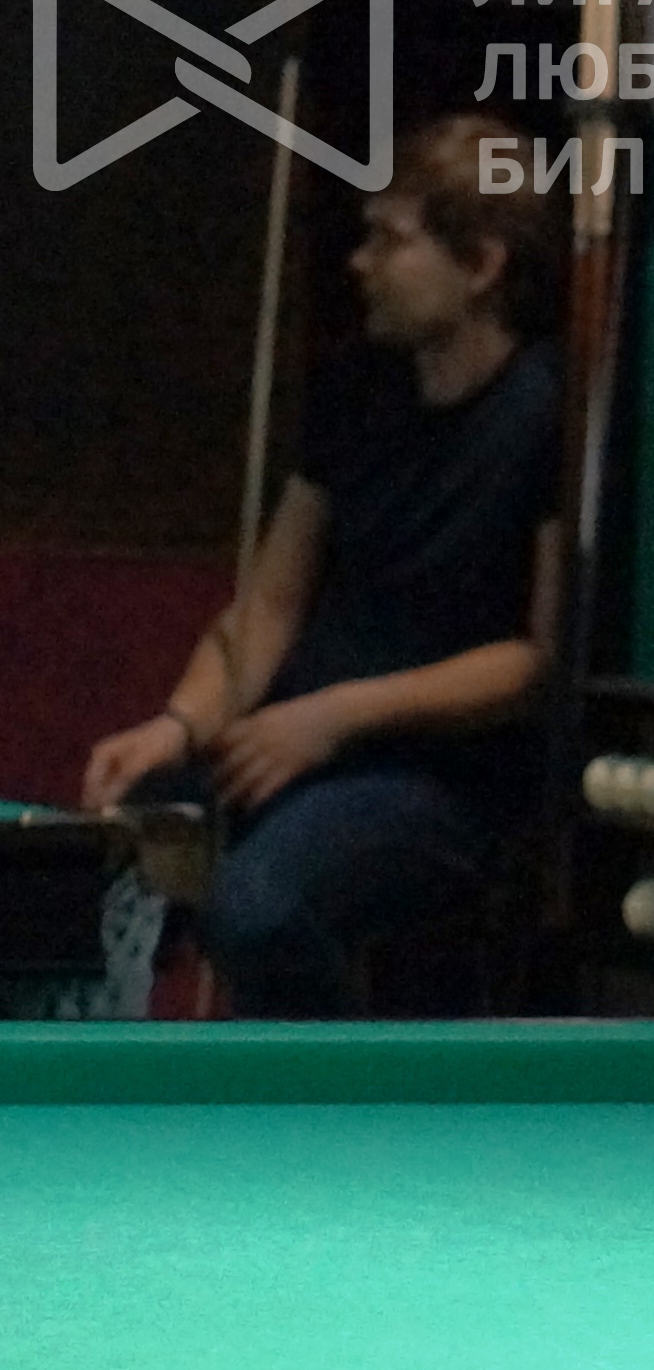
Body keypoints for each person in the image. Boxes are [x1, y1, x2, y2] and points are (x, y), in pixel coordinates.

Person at [77, 113, 566, 1017]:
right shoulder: (358, 390)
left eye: (389, 239)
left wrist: (336, 717)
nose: (358, 262)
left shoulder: (547, 415)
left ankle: (335, 1098)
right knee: (93, 874)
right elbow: (268, 607)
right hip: (290, 746)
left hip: (436, 778)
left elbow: (536, 661)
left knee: (257, 910)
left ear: (481, 265)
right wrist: (179, 726)